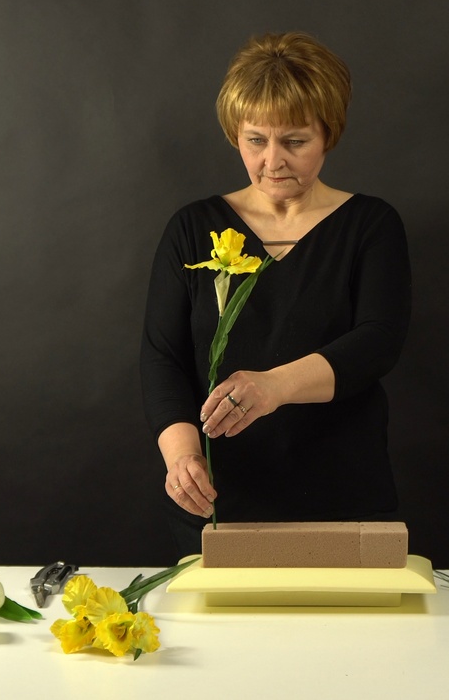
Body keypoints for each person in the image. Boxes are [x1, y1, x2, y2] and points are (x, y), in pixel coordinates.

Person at [140, 32, 412, 558]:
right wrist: (181, 457)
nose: (273, 161)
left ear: (328, 134)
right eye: (255, 140)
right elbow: (162, 356)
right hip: (220, 500)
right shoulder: (192, 227)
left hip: (342, 493)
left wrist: (273, 386)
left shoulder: (371, 224)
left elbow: (379, 341)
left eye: (295, 141)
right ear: (234, 135)